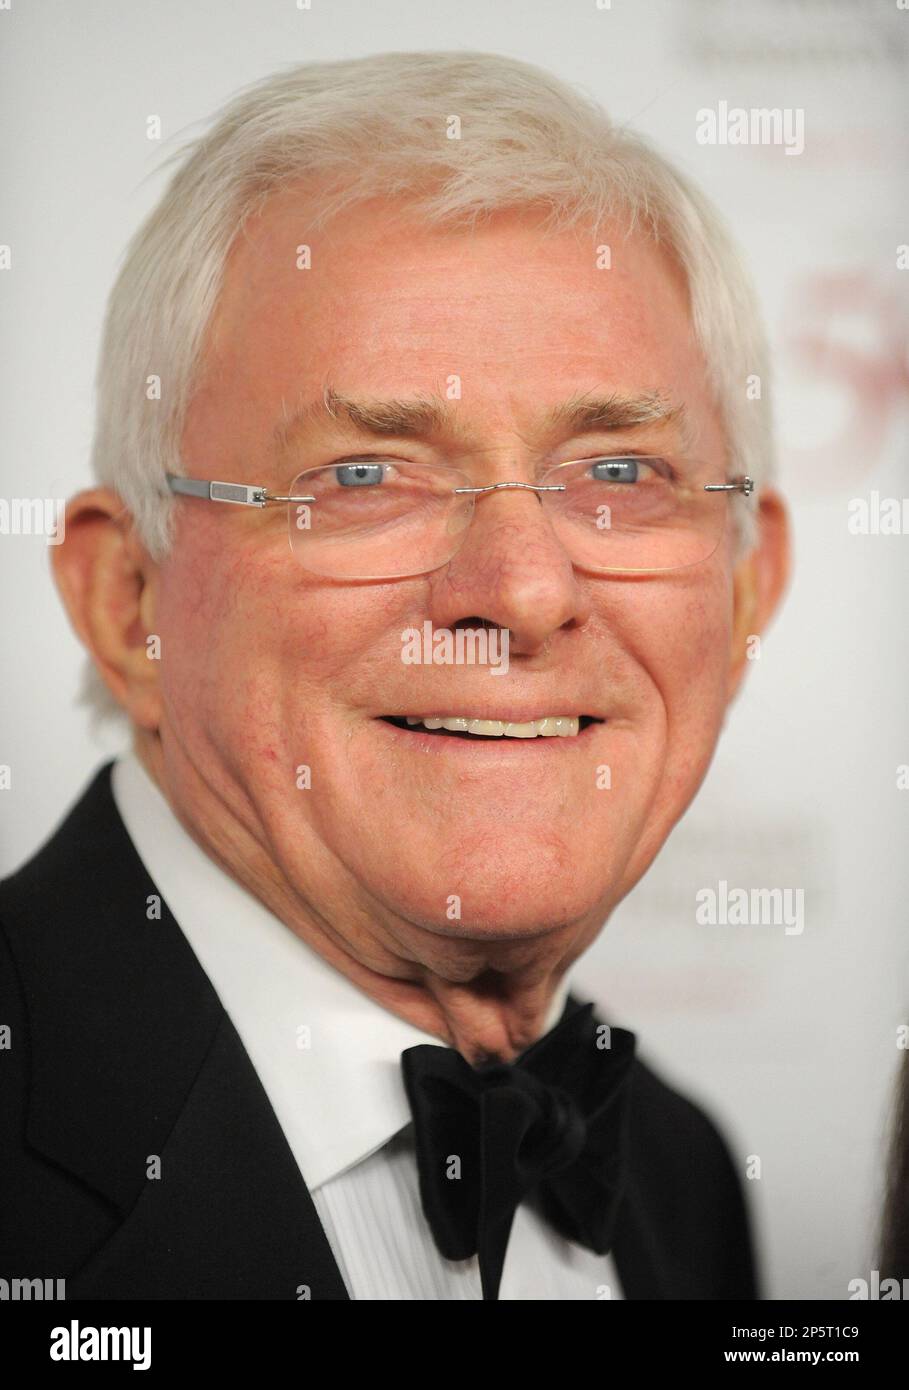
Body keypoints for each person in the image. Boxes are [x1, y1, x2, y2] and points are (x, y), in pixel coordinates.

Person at [0, 50, 789, 1300]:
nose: (524, 591)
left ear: (746, 595)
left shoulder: (678, 1177)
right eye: (364, 477)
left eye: (620, 472)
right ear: (129, 601)